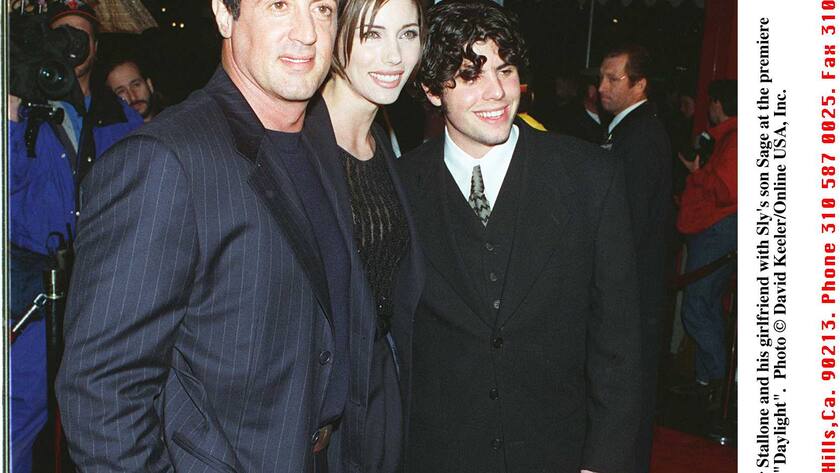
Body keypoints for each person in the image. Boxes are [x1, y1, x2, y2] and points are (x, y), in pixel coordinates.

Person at [56, 0, 413, 471]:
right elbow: (101, 392)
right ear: (225, 16)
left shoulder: (320, 143)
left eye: (322, 9)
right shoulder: (164, 161)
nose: (306, 32)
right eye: (280, 6)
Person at [398, 1, 641, 472]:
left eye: (505, 70)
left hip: (557, 453)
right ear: (431, 90)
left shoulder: (590, 177)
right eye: (470, 75)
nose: (496, 92)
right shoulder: (401, 187)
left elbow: (619, 344)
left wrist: (603, 462)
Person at [8, 2, 142, 471]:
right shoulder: (28, 108)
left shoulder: (121, 118)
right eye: (60, 34)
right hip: (33, 292)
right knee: (19, 411)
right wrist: (11, 114)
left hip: (101, 290)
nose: (70, 45)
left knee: (103, 413)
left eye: (79, 36)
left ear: (96, 47)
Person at [317, 0, 425, 469]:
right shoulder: (297, 142)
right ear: (335, 35)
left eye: (408, 34)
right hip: (322, 409)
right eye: (372, 34)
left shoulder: (381, 141)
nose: (395, 56)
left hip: (379, 387)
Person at [598, 44, 672, 473]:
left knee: (630, 394)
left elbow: (628, 222)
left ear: (639, 84)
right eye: (601, 78)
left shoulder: (641, 137)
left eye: (613, 79)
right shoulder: (628, 130)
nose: (602, 87)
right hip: (635, 287)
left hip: (634, 290)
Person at [675, 79, 738, 398]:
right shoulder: (726, 137)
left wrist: (697, 172)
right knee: (708, 305)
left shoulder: (734, 139)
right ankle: (706, 381)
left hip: (717, 229)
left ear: (718, 104)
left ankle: (717, 380)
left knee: (696, 306)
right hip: (715, 228)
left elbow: (727, 191)